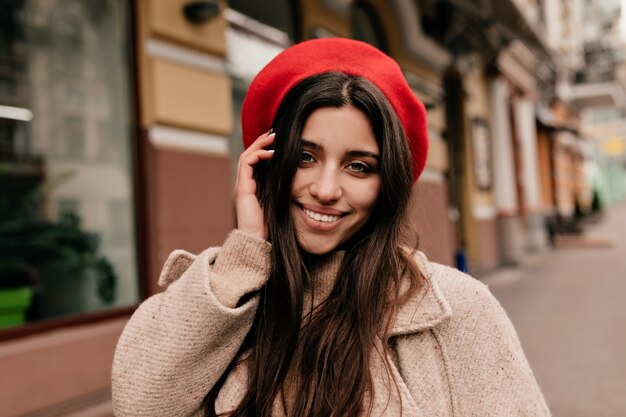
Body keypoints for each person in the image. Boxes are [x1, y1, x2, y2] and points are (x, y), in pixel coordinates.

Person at [112, 38, 550, 417]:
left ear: (387, 187)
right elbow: (139, 404)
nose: (325, 189)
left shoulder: (459, 309)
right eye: (305, 157)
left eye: (358, 167)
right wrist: (242, 257)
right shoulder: (225, 300)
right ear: (268, 164)